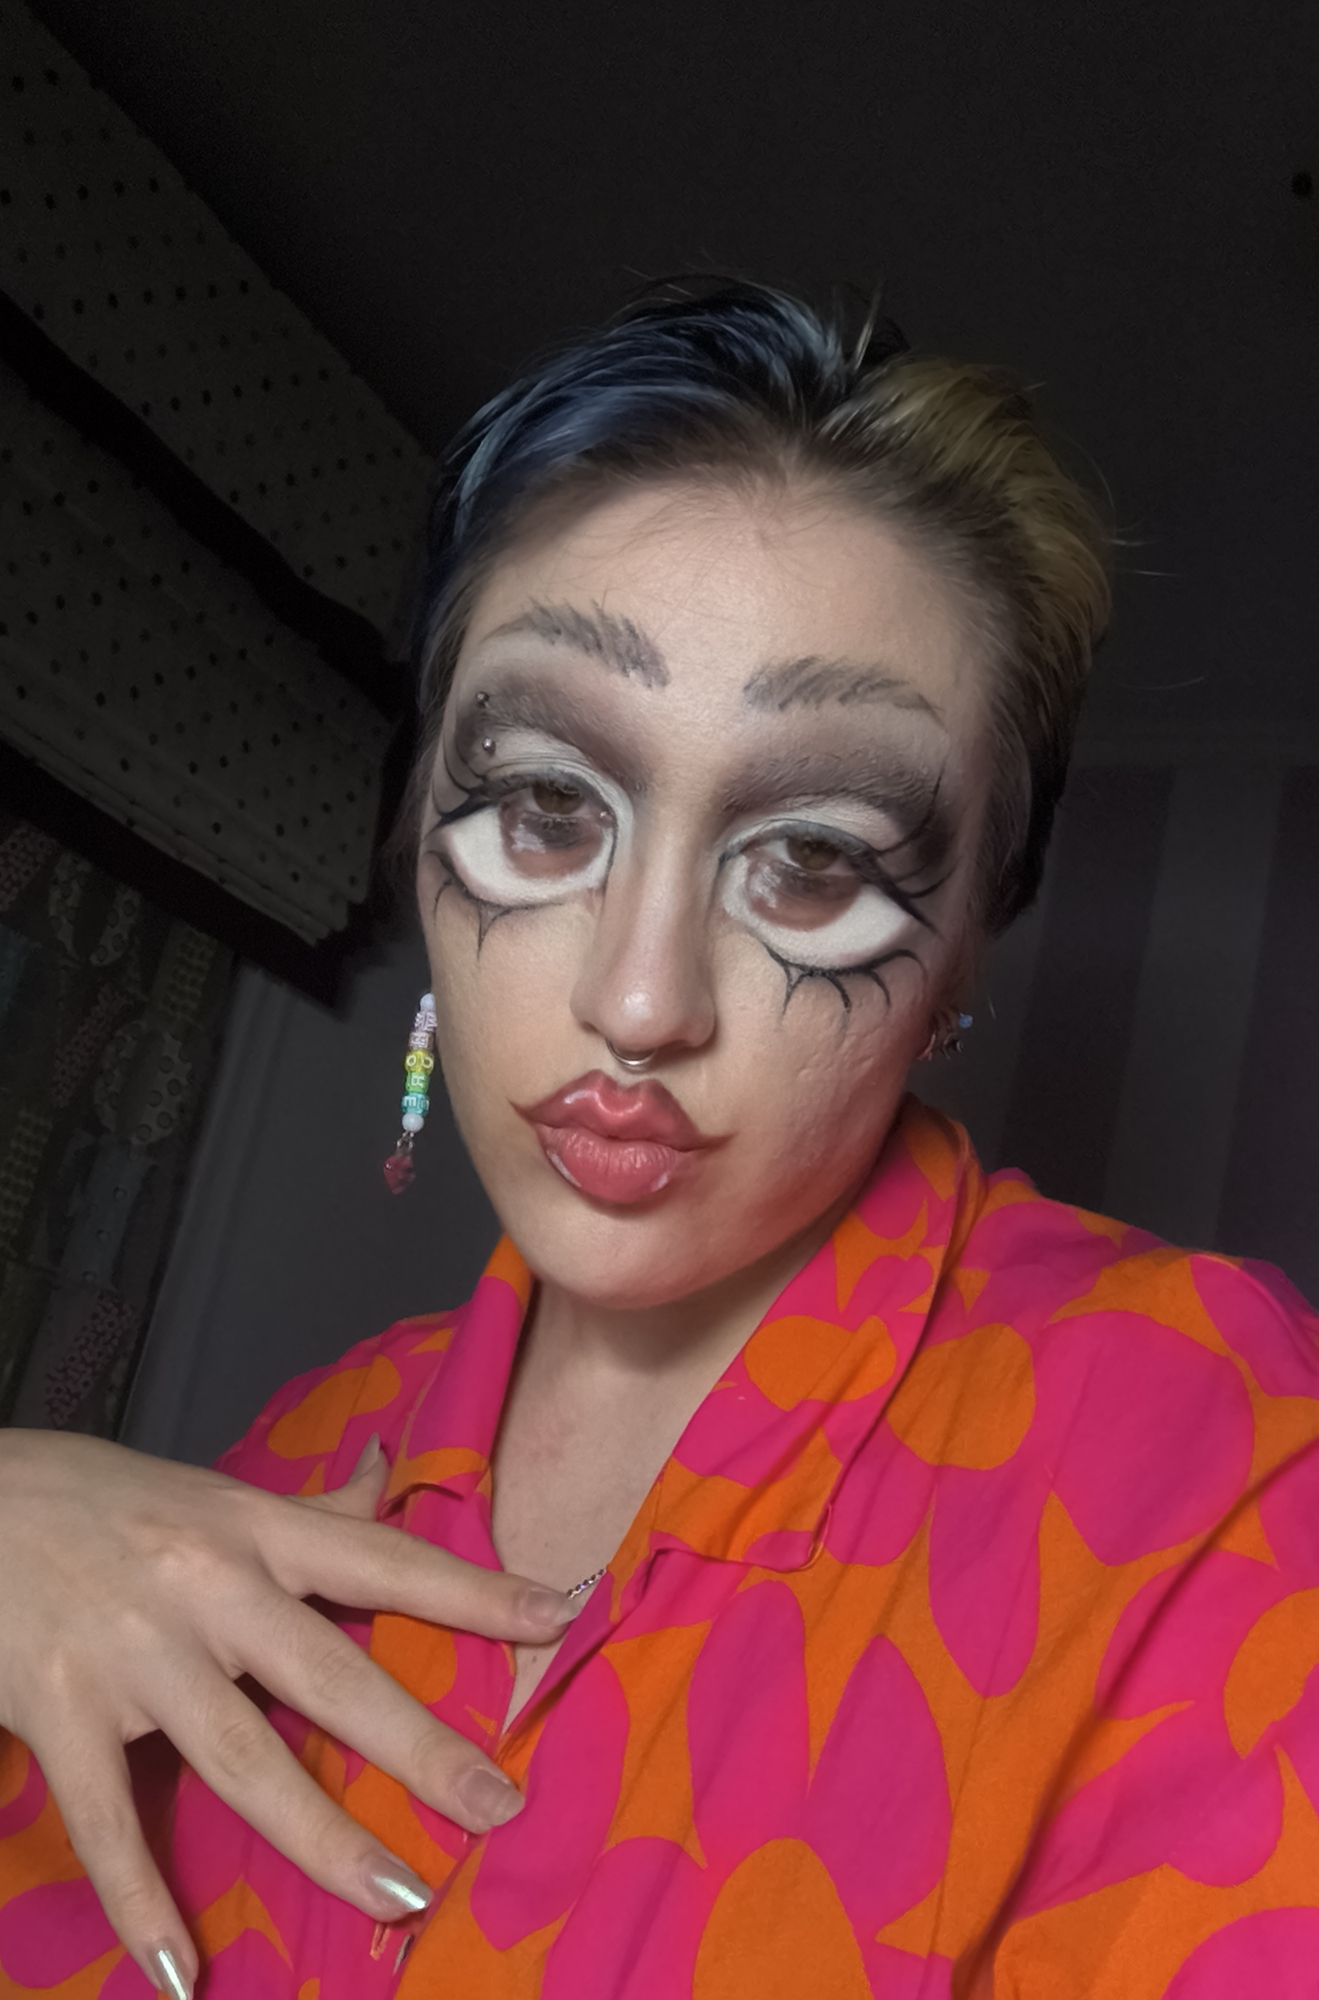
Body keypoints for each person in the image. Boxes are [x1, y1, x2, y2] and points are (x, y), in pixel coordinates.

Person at [2, 283, 1318, 2000]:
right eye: (549, 807)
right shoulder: (296, 1453)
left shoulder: (1201, 1445)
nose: (638, 1000)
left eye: (815, 861)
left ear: (960, 957)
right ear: (416, 831)